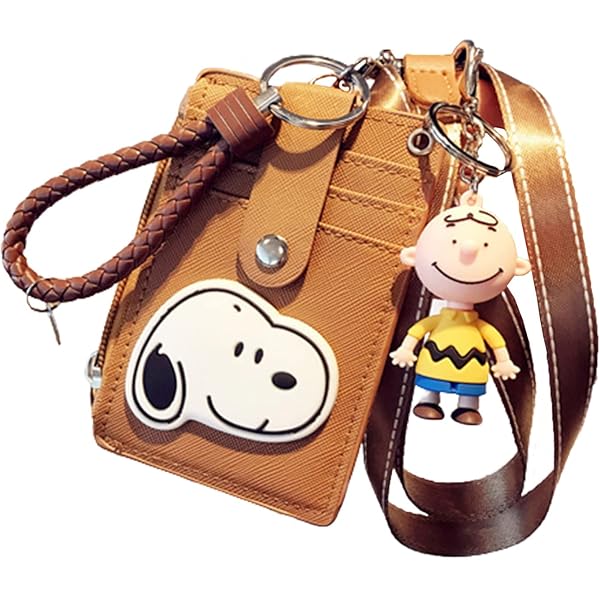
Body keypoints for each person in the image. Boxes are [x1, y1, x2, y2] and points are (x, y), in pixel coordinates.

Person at [389, 190, 531, 425]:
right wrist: (406, 349)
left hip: (471, 366)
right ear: (414, 256)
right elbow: (419, 329)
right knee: (433, 381)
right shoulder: (447, 322)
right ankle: (430, 400)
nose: (469, 248)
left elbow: (495, 339)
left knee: (469, 387)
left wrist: (504, 361)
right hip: (437, 362)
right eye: (453, 242)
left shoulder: (477, 325)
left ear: (517, 267)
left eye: (486, 245)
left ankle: (468, 407)